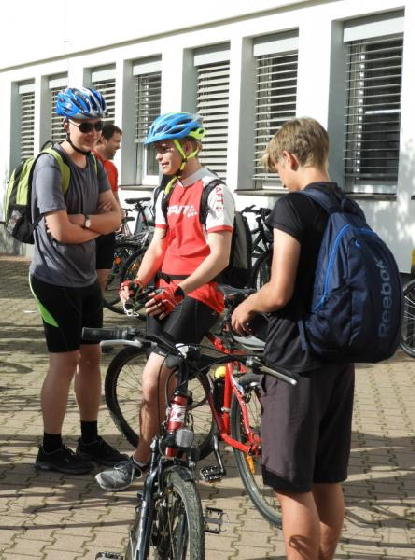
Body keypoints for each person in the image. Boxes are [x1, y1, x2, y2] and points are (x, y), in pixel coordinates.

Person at [231, 118, 354, 560]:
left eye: (277, 169)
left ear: (291, 158)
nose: (280, 179)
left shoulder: (294, 207)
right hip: (338, 355)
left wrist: (247, 306)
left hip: (294, 361)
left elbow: (280, 289)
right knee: (327, 479)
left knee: (291, 484)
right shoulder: (348, 207)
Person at [95, 112, 234, 490]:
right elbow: (158, 244)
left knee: (152, 377)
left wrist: (180, 289)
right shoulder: (167, 190)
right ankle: (169, 450)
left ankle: (140, 462)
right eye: (156, 150)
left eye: (164, 149)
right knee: (160, 381)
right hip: (164, 292)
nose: (158, 156)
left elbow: (219, 257)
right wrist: (137, 282)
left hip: (198, 294)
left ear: (189, 147)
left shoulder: (215, 190)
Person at [30, 86, 126, 475]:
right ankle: (50, 449)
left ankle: (89, 440)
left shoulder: (97, 165)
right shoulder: (50, 165)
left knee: (91, 358)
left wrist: (83, 222)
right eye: (85, 125)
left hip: (86, 279)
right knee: (64, 362)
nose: (92, 133)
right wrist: (92, 226)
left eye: (97, 126)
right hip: (53, 279)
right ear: (66, 124)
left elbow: (115, 219)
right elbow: (58, 233)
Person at [93, 124, 123, 298]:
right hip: (91, 229)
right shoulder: (89, 161)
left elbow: (115, 196)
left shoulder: (112, 168)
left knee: (102, 280)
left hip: (108, 231)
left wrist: (118, 214)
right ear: (103, 139)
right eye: (116, 141)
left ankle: (97, 313)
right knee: (86, 279)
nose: (119, 146)